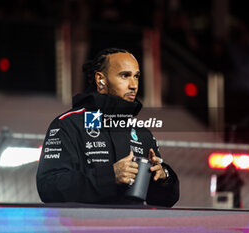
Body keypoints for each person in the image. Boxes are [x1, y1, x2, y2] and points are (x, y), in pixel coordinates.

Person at [36, 48, 179, 207]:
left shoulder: (142, 132)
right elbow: (48, 187)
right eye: (125, 76)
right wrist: (110, 177)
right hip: (82, 227)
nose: (133, 85)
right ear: (101, 80)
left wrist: (164, 177)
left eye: (136, 76)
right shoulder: (68, 124)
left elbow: (163, 201)